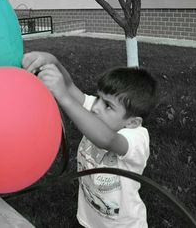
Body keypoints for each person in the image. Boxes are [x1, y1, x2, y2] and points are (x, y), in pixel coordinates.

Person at [22, 51, 158, 228]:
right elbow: (70, 87)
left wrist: (63, 97)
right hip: (91, 219)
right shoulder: (98, 110)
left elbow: (106, 139)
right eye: (99, 98)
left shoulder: (136, 138)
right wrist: (53, 61)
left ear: (132, 122)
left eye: (108, 105)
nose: (96, 108)